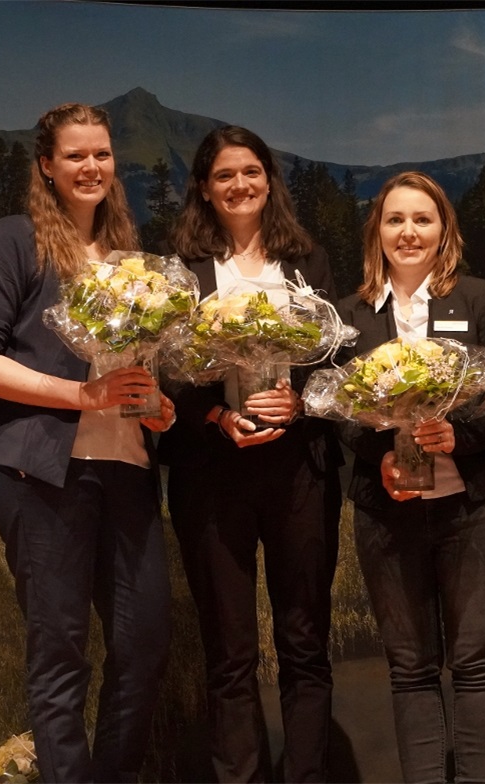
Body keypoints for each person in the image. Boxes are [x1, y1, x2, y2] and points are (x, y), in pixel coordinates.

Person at [0, 102, 175, 783]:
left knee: (144, 647)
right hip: (40, 477)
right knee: (61, 653)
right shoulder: (18, 241)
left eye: (101, 153)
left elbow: (151, 380)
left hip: (128, 473)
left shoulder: (138, 262)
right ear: (46, 166)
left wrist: (159, 408)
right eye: (75, 155)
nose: (91, 166)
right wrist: (80, 395)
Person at [158, 125, 343, 783]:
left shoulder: (309, 262)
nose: (239, 185)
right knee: (230, 652)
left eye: (251, 172)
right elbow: (167, 374)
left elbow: (334, 360)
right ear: (205, 189)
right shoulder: (180, 272)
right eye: (224, 175)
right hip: (213, 474)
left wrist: (301, 404)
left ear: (269, 180)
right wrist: (215, 415)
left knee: (303, 645)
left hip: (298, 473)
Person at [336, 171, 485, 783]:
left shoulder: (481, 299)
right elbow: (338, 416)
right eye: (396, 219)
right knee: (410, 666)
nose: (409, 231)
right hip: (385, 512)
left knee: (475, 661)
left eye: (423, 219)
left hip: (475, 509)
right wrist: (381, 456)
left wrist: (460, 435)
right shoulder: (350, 316)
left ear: (444, 228)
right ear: (378, 232)